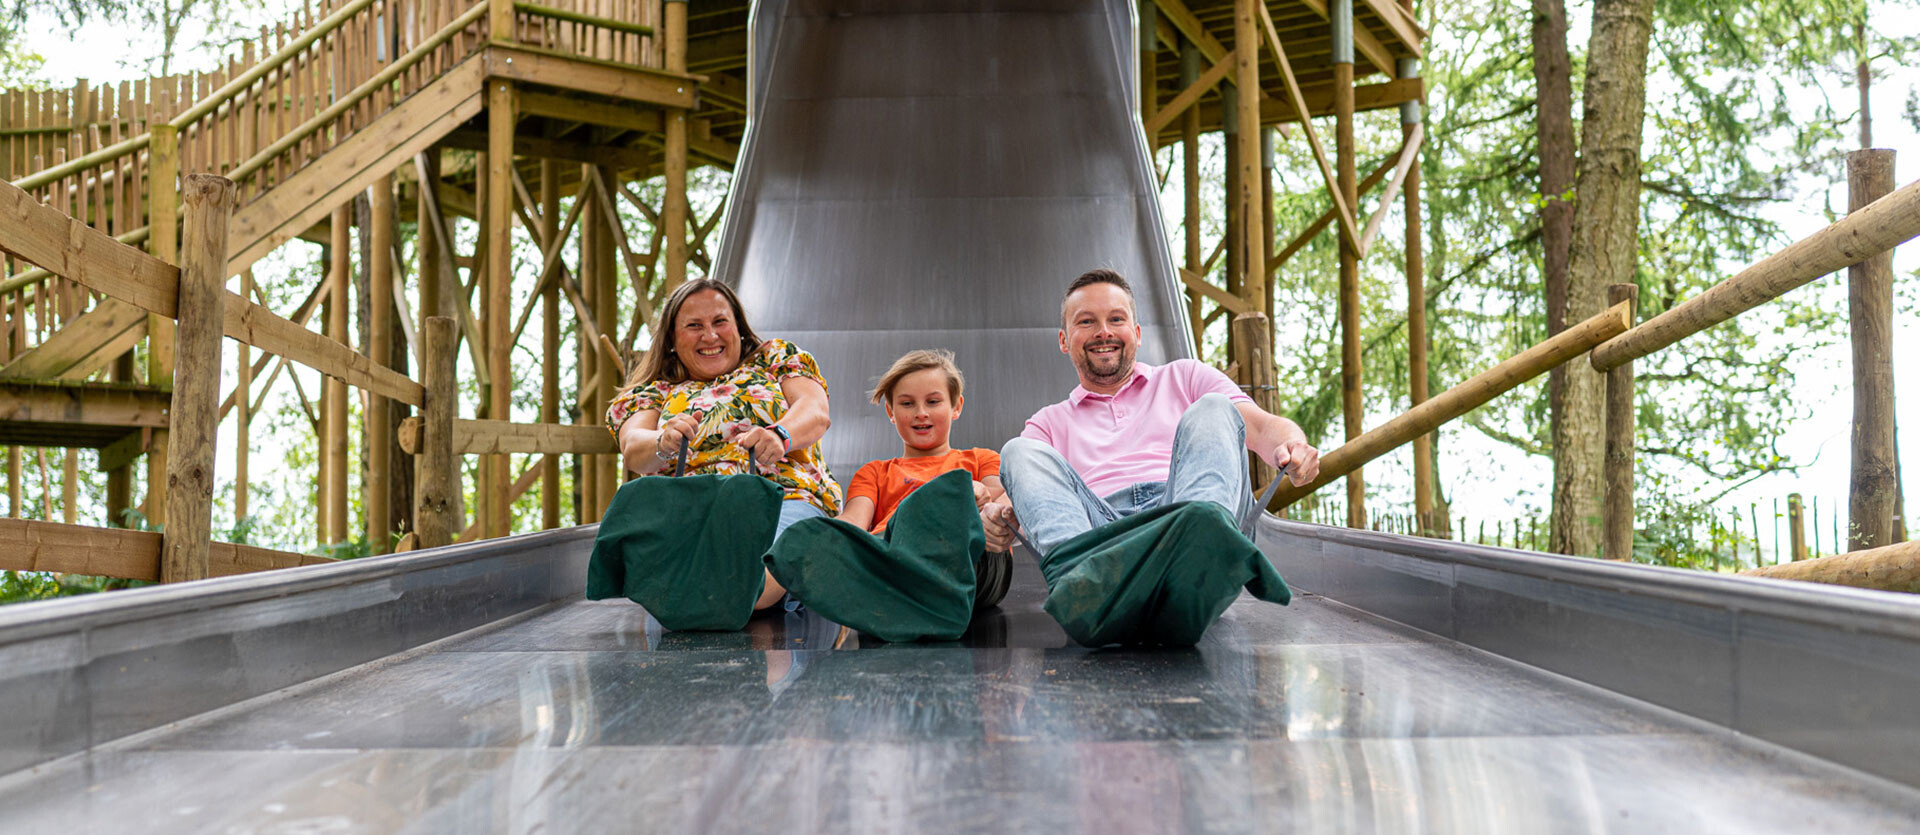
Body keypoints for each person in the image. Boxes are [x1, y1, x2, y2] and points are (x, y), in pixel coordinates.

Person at [983, 268, 1322, 556]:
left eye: (1116, 319)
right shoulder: (1048, 423)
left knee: (1215, 408)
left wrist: (1293, 445)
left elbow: (1264, 429)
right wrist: (991, 517)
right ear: (1063, 339)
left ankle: (1199, 550)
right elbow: (1011, 498)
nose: (1104, 331)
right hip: (1100, 539)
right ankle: (1082, 573)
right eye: (1086, 322)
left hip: (1187, 515)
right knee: (1019, 451)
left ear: (1137, 333)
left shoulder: (1185, 377)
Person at [607, 278, 842, 611]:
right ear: (673, 338)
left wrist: (779, 434)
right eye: (694, 326)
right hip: (695, 507)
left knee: (752, 580)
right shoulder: (654, 391)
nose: (710, 335)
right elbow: (634, 447)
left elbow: (815, 411)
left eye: (720, 321)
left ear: (738, 328)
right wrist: (664, 438)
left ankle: (744, 590)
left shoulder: (775, 358)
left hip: (782, 497)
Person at [837, 349, 1003, 533]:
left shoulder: (983, 460)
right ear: (891, 412)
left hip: (962, 547)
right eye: (907, 404)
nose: (921, 413)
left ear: (956, 407)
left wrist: (980, 493)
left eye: (932, 401)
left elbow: (1002, 507)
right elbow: (853, 522)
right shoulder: (873, 474)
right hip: (891, 550)